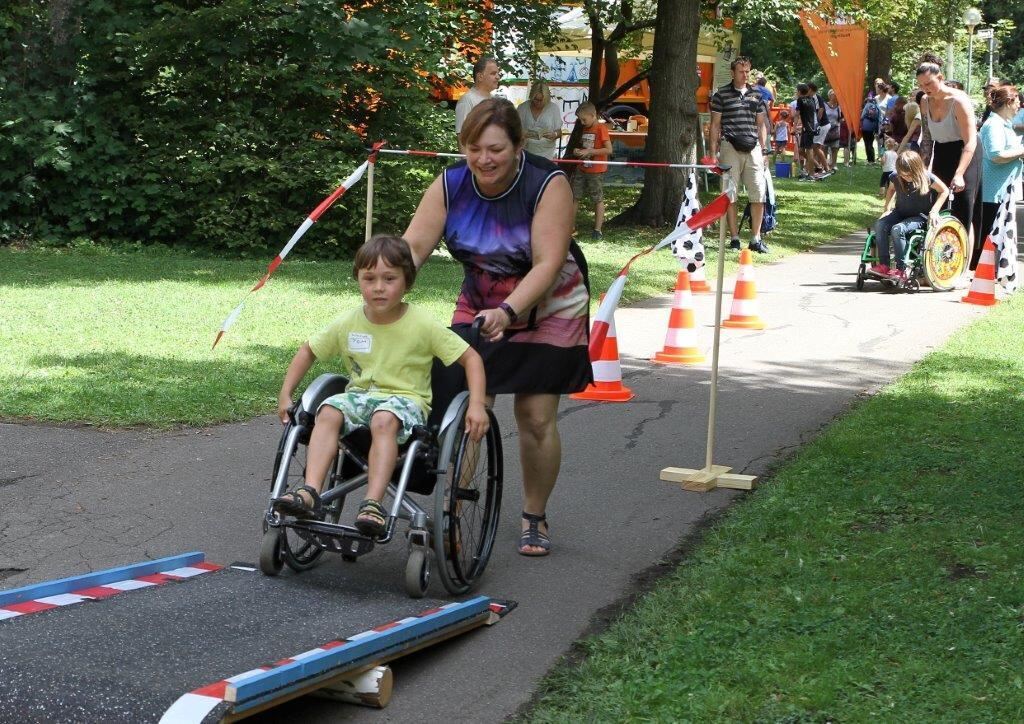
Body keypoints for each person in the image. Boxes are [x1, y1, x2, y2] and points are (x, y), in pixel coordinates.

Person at [403, 98, 591, 557]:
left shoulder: (548, 183)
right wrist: (382, 290)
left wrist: (508, 313)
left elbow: (547, 264)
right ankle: (455, 506)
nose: (483, 159)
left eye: (495, 149)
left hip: (550, 307)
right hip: (480, 300)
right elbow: (411, 248)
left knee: (535, 416)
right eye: (472, 148)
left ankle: (534, 515)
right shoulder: (450, 186)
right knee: (469, 406)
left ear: (519, 145)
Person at [273, 235, 489, 534]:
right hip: (361, 397)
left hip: (405, 402)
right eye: (369, 278)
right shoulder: (349, 321)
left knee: (383, 418)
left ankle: (372, 504)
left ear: (407, 282)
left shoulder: (422, 324)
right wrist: (286, 393)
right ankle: (310, 491)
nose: (378, 287)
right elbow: (308, 350)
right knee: (328, 411)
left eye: (389, 279)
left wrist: (477, 405)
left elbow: (472, 359)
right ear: (358, 280)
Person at [916, 61, 982, 268]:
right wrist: (922, 168)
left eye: (929, 83)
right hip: (942, 152)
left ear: (941, 78)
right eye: (921, 85)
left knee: (963, 210)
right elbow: (926, 138)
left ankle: (963, 268)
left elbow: (970, 141)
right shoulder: (925, 102)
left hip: (966, 153)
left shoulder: (959, 100)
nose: (926, 88)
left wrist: (960, 173)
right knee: (940, 206)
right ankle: (943, 264)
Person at [709, 56, 770, 253]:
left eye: (748, 71)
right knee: (730, 194)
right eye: (741, 71)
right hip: (729, 147)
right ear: (733, 73)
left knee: (758, 193)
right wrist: (712, 153)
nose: (745, 75)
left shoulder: (757, 95)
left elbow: (761, 125)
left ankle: (755, 238)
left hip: (753, 149)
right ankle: (734, 238)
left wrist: (764, 150)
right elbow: (715, 125)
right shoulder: (721, 95)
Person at [872, 150, 950, 279]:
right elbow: (891, 190)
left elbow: (944, 191)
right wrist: (887, 208)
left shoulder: (927, 177)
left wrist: (935, 210)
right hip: (900, 212)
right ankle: (884, 265)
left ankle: (901, 269)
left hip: (919, 216)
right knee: (880, 225)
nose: (905, 177)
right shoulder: (895, 176)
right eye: (903, 175)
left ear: (917, 169)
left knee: (898, 229)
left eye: (908, 175)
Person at [979, 84, 1024, 292]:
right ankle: (985, 276)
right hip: (993, 192)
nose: (1019, 107)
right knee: (991, 236)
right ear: (1008, 102)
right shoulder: (994, 125)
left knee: (999, 235)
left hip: (1002, 190)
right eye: (1017, 102)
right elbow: (996, 155)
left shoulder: (1003, 124)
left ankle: (994, 274)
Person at [571, 102, 613, 238]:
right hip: (582, 168)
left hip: (595, 171)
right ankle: (570, 226)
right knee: (574, 196)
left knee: (597, 198)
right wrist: (578, 151)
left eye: (584, 119)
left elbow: (609, 149)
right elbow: (585, 147)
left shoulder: (601, 128)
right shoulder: (585, 129)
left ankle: (597, 230)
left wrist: (591, 151)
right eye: (580, 120)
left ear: (593, 115)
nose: (582, 122)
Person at [517, 81, 562, 160]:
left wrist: (554, 134)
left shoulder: (553, 108)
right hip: (526, 151)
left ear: (547, 98)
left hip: (547, 153)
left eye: (541, 100)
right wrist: (522, 134)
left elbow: (559, 132)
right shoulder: (523, 107)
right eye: (535, 99)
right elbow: (514, 130)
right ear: (531, 96)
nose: (538, 103)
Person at [455, 56, 501, 135]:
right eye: (493, 73)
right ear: (480, 77)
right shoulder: (467, 100)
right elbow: (461, 136)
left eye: (497, 73)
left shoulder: (495, 100)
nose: (498, 77)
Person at [795, 83, 819, 181]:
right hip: (808, 128)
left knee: (809, 150)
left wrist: (794, 126)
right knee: (801, 150)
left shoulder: (800, 100)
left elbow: (797, 114)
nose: (796, 93)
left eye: (797, 91)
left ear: (800, 92)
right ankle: (816, 166)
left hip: (809, 129)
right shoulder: (811, 99)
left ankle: (811, 174)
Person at [807, 82, 831, 178]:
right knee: (813, 147)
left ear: (812, 90)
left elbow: (820, 110)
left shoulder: (816, 97)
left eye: (807, 89)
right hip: (818, 125)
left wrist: (816, 124)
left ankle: (826, 167)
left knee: (815, 147)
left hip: (823, 125)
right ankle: (818, 166)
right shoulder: (809, 99)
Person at [823, 89, 844, 170]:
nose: (835, 97)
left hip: (835, 130)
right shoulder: (825, 105)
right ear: (830, 96)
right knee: (824, 148)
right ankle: (824, 164)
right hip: (826, 129)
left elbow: (841, 118)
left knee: (835, 148)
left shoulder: (839, 107)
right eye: (834, 95)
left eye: (836, 95)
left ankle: (834, 164)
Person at [860, 94, 879, 164]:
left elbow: (862, 116)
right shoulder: (876, 106)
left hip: (865, 127)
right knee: (870, 143)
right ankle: (872, 159)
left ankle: (869, 159)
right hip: (872, 127)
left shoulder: (867, 105)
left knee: (867, 143)